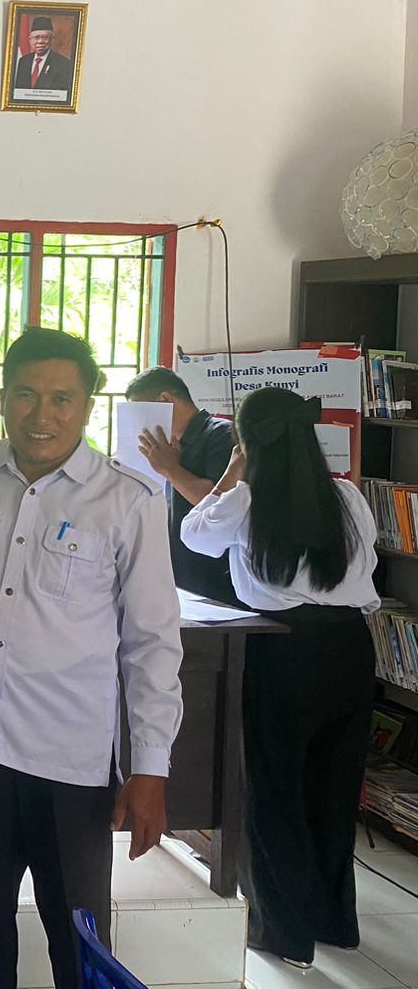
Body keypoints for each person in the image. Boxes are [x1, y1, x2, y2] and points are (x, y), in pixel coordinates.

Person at [0, 327, 183, 989]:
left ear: (87, 405)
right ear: (4, 397)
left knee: (79, 939)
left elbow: (151, 640)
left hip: (69, 763)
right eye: (25, 395)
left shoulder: (128, 498)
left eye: (62, 398)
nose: (42, 414)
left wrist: (150, 768)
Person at [180, 387, 378, 969]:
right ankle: (334, 922)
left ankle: (284, 935)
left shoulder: (245, 499)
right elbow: (366, 562)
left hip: (283, 652)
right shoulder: (347, 496)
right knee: (333, 786)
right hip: (349, 649)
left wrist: (231, 473)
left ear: (248, 442)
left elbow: (194, 534)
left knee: (273, 790)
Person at [125, 366, 239, 604]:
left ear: (165, 400)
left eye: (140, 411)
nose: (139, 421)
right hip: (179, 571)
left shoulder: (221, 434)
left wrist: (170, 469)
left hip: (215, 575)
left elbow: (219, 505)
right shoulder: (167, 446)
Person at [9, 15, 74, 96]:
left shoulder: (63, 64)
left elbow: (62, 95)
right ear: (30, 40)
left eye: (45, 38)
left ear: (51, 40)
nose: (40, 41)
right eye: (36, 38)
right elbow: (18, 91)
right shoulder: (23, 61)